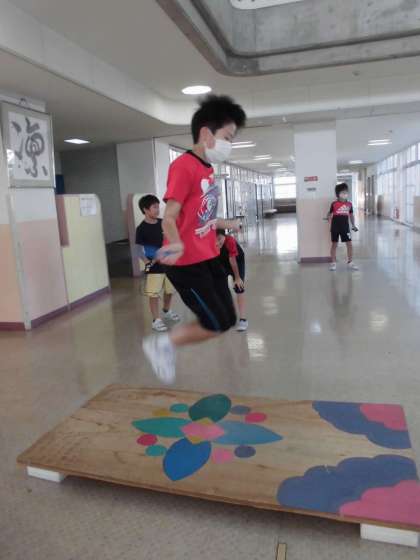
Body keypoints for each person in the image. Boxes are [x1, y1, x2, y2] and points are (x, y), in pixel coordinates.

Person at [142, 94, 246, 383]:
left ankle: (166, 345)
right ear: (206, 134)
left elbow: (203, 217)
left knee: (227, 319)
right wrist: (175, 243)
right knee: (214, 322)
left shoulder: (207, 169)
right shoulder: (183, 166)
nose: (230, 144)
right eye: (228, 137)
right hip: (186, 263)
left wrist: (227, 223)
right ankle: (162, 344)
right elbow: (169, 217)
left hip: (209, 255)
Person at [135, 194, 179, 332]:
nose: (157, 210)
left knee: (169, 290)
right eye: (154, 207)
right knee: (153, 293)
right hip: (154, 267)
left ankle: (166, 310)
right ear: (145, 209)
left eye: (158, 206)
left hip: (169, 264)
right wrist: (147, 261)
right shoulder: (141, 228)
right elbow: (138, 250)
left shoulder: (163, 223)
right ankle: (156, 320)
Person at [216, 229, 248, 332]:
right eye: (214, 240)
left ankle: (243, 319)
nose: (217, 242)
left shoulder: (230, 241)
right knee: (221, 289)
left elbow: (232, 260)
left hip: (237, 261)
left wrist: (237, 278)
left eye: (219, 239)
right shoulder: (210, 243)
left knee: (239, 287)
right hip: (222, 262)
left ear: (224, 235)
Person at [327, 183, 358, 271]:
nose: (345, 193)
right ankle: (333, 263)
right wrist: (328, 216)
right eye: (343, 192)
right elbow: (329, 213)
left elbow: (351, 215)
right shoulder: (334, 204)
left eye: (346, 192)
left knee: (349, 244)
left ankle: (350, 262)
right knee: (334, 244)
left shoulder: (349, 204)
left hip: (345, 227)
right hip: (335, 228)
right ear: (338, 193)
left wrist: (353, 225)